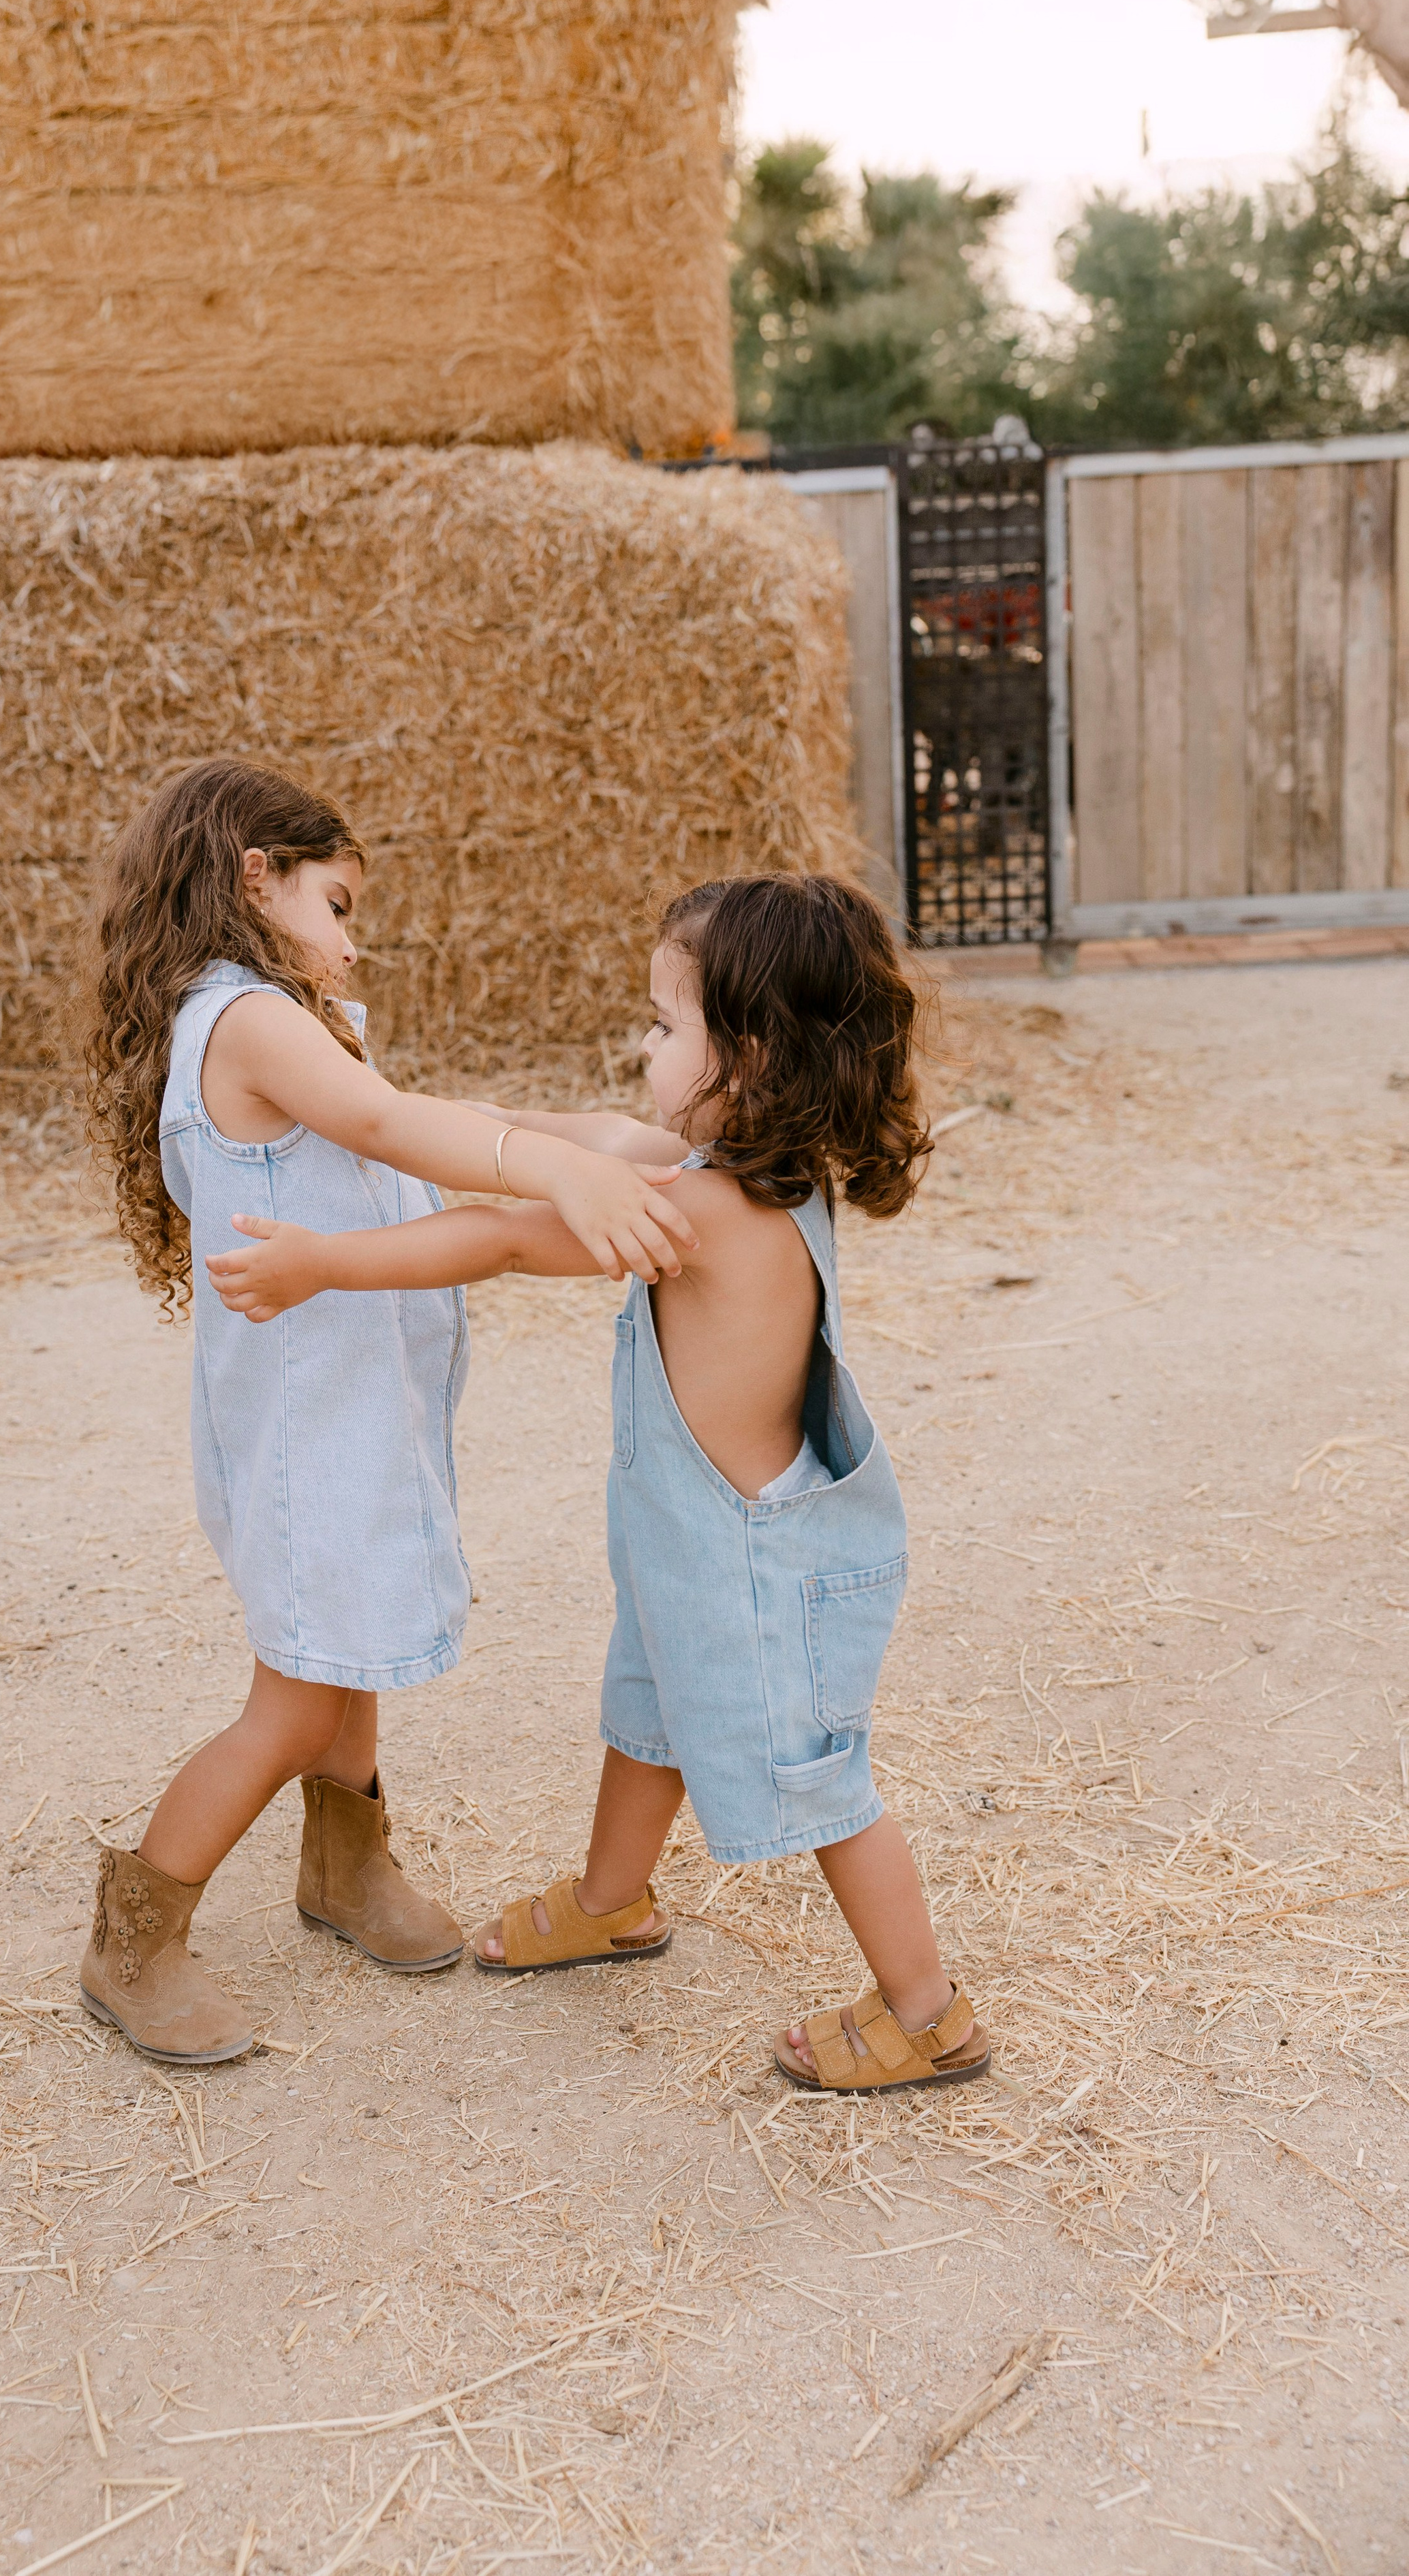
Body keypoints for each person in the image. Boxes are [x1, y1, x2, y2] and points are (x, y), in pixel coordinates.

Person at [207, 873, 989, 2095]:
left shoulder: (714, 1210)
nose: (642, 1045)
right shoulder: (715, 1163)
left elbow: (512, 1236)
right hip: (695, 1561)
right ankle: (611, 1902)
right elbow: (579, 1142)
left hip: (759, 1575)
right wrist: (430, 1117)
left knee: (818, 1786)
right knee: (649, 1720)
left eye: (667, 1026)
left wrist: (325, 1262)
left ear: (754, 1055)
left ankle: (927, 2010)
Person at [78, 758, 696, 2065]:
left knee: (344, 1651)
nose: (354, 939)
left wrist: (623, 1150)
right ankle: (135, 1933)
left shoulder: (287, 1015)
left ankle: (344, 1871)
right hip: (311, 1419)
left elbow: (433, 1118)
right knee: (300, 1692)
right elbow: (388, 1123)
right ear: (256, 876)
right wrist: (562, 1174)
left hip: (356, 1405)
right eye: (338, 901)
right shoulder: (243, 1017)